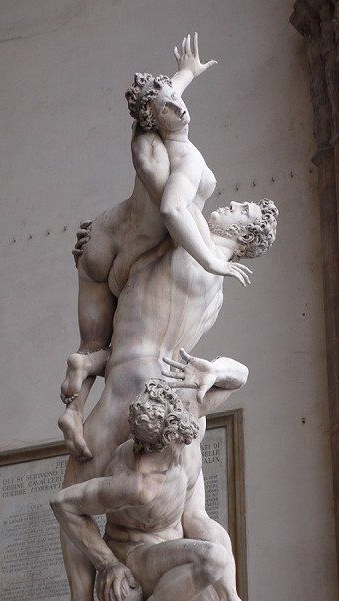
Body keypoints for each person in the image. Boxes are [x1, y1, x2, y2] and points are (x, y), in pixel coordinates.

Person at [58, 195, 278, 600]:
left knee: (76, 498)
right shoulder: (215, 290)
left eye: (242, 210)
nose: (231, 204)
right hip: (173, 389)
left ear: (245, 237)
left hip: (130, 384)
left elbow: (171, 189)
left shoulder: (186, 242)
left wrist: (98, 247)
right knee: (195, 517)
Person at [59, 33, 250, 428]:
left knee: (95, 348)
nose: (180, 110)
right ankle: (76, 406)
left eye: (178, 100)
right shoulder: (184, 161)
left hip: (107, 237)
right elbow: (173, 210)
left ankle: (74, 411)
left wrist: (184, 75)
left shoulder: (146, 138)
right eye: (170, 107)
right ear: (154, 117)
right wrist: (212, 259)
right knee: (125, 347)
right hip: (117, 247)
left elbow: (160, 96)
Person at [52, 357, 248, 601]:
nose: (184, 444)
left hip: (180, 539)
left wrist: (215, 371)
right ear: (155, 446)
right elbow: (62, 504)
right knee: (214, 559)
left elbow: (241, 375)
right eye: (176, 442)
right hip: (138, 555)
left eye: (186, 436)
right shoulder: (136, 484)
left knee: (210, 543)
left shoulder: (187, 417)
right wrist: (108, 564)